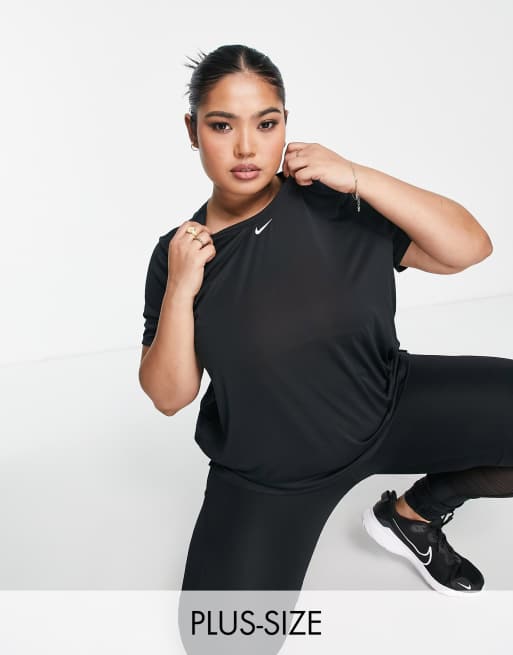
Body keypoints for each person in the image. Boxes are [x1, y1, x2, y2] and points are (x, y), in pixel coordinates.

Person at [139, 44, 513, 602]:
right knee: (222, 637)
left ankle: (413, 517)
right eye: (222, 125)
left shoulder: (334, 200)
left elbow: (469, 249)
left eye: (266, 124)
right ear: (192, 131)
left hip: (390, 407)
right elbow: (170, 397)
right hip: (273, 473)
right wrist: (179, 287)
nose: (246, 147)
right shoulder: (180, 253)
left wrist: (357, 176)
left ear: (285, 124)